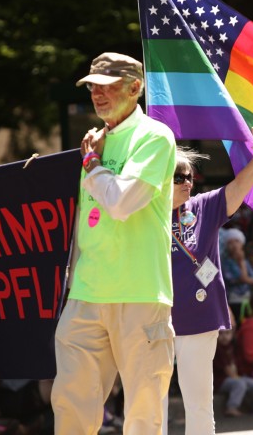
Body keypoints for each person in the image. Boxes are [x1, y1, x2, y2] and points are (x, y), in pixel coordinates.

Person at [51, 52, 176, 434]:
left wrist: (92, 164)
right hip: (86, 291)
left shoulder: (154, 136)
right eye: (93, 87)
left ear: (135, 88)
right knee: (70, 401)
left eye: (107, 87)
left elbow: (121, 203)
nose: (98, 95)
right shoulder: (96, 143)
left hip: (140, 292)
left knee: (142, 408)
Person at [168, 122, 253, 435]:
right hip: (153, 319)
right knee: (149, 405)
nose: (187, 182)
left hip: (199, 319)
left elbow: (239, 187)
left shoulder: (202, 207)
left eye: (189, 176)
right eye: (177, 176)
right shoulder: (141, 212)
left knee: (199, 403)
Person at [212, 328, 253, 418]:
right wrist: (235, 375)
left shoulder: (234, 347)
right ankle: (231, 407)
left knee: (252, 382)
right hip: (219, 381)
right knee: (240, 383)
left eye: (227, 333)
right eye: (221, 334)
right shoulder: (216, 349)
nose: (224, 337)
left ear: (232, 334)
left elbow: (238, 366)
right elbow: (226, 369)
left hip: (234, 377)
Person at [221, 227, 253, 321]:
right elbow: (243, 279)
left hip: (247, 298)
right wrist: (241, 262)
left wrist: (242, 262)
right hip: (234, 299)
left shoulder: (246, 261)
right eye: (230, 242)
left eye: (236, 241)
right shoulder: (226, 263)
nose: (234, 245)